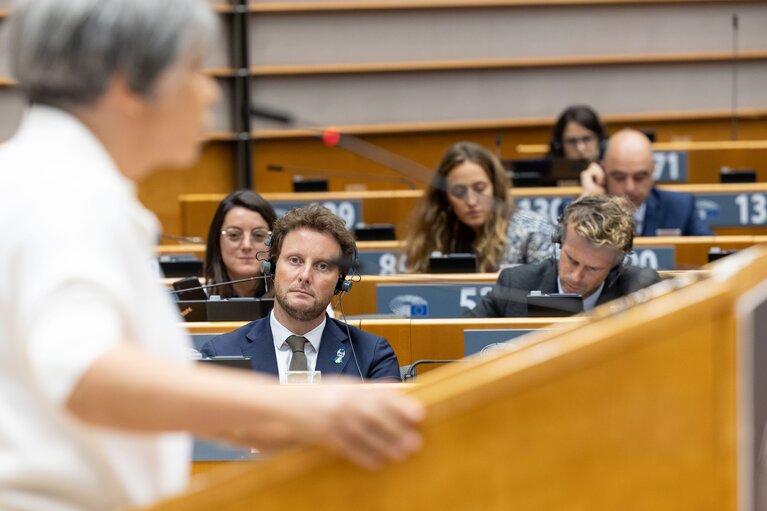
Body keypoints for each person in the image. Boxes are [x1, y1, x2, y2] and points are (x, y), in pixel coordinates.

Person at [0, 2, 423, 510]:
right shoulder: (65, 193)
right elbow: (85, 373)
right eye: (195, 67)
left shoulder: (45, 177)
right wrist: (299, 407)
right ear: (128, 81)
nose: (211, 91)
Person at [201, 204, 402, 382]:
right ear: (272, 267)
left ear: (340, 281)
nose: (305, 276)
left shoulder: (372, 356)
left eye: (322, 266)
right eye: (295, 260)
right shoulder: (221, 354)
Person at [466, 195, 661, 318]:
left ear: (616, 265)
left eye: (592, 268)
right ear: (559, 241)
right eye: (571, 260)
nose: (575, 277)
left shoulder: (638, 291)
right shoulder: (516, 284)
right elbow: (458, 336)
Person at [405, 141, 554, 273]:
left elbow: (546, 294)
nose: (471, 201)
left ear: (495, 187)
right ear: (445, 197)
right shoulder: (435, 234)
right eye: (458, 192)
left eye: (479, 188)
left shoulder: (533, 231)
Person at [580, 128, 713, 236]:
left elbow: (712, 257)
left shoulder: (681, 207)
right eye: (619, 177)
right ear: (603, 171)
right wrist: (591, 204)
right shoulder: (581, 209)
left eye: (639, 177)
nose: (630, 188)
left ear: (653, 171)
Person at [204, 189, 277, 298]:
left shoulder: (291, 302)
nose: (246, 246)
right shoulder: (198, 301)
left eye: (258, 235)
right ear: (217, 242)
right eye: (234, 235)